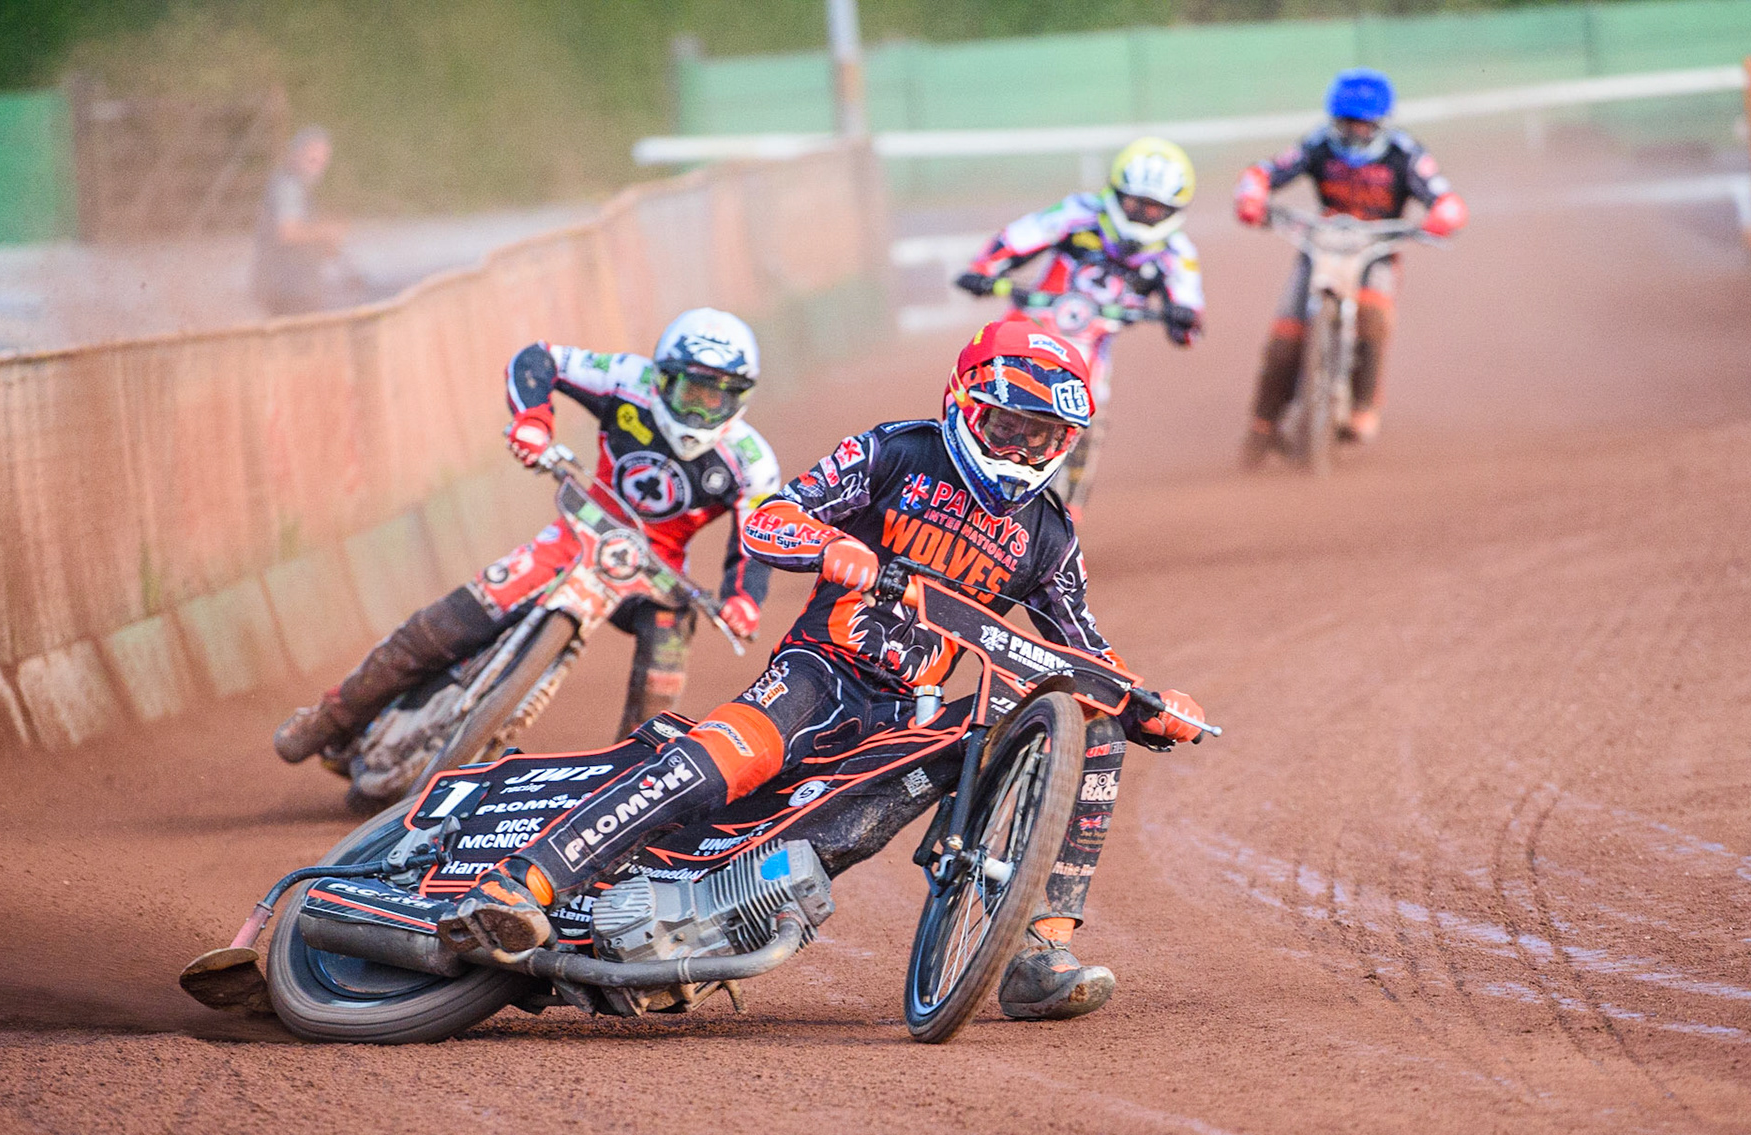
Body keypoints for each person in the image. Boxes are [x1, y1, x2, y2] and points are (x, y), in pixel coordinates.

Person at [434, 319, 1207, 1022]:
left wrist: (1147, 703)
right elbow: (772, 515)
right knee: (708, 770)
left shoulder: (1049, 534)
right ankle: (520, 883)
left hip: (911, 717)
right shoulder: (896, 451)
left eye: (1042, 439)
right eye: (1007, 427)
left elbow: (1085, 649)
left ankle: (1041, 949)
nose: (1018, 450)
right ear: (967, 404)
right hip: (817, 675)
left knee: (1090, 724)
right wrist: (823, 545)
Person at [273, 307, 780, 769]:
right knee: (447, 624)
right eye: (693, 389)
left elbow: (757, 535)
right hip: (578, 532)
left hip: (656, 571)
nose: (701, 407)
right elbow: (540, 360)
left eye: (719, 394)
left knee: (671, 636)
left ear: (741, 397)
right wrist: (533, 423)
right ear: (664, 377)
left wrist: (743, 600)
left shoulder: (753, 462)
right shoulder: (629, 380)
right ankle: (331, 717)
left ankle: (634, 775)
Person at [954, 137, 1204, 508]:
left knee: (1091, 417)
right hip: (1029, 328)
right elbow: (1019, 237)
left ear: (1173, 210)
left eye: (1154, 208)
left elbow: (1188, 315)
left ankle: (1067, 513)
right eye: (1136, 203)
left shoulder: (1176, 251)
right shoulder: (1078, 213)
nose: (1142, 214)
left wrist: (1182, 318)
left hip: (1090, 355)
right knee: (976, 387)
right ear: (1117, 193)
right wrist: (983, 270)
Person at [1233, 68, 1467, 453]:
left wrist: (1444, 215)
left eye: (1364, 124)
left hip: (1376, 249)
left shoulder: (1404, 154)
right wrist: (1253, 194)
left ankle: (1363, 409)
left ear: (1381, 123)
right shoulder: (1319, 144)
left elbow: (1443, 196)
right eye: (1346, 122)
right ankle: (1263, 424)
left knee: (1374, 318)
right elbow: (1268, 171)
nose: (1354, 131)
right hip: (1320, 242)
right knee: (1284, 338)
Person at [253, 126, 352, 316]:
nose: (320, 164)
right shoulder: (289, 186)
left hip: (290, 287)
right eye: (313, 158)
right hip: (287, 289)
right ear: (297, 154)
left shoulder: (296, 186)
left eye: (323, 158)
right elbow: (288, 232)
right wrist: (326, 231)